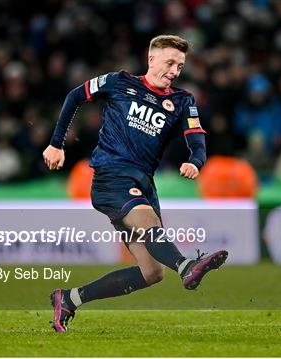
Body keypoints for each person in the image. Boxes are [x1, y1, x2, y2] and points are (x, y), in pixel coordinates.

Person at [42, 35, 228, 333]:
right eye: (169, 62)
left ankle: (69, 299)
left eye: (180, 65)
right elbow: (74, 96)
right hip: (110, 177)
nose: (175, 71)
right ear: (151, 59)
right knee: (147, 221)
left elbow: (198, 141)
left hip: (143, 185)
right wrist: (56, 143)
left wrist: (196, 161)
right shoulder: (119, 82)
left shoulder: (182, 101)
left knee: (152, 272)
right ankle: (186, 267)